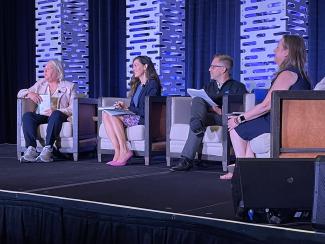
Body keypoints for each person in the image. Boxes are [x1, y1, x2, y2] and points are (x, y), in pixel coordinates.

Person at [222, 34, 311, 180]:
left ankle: (241, 174)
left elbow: (266, 105)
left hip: (281, 124)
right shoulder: (302, 75)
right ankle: (245, 173)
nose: (274, 51)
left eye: (277, 47)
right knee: (249, 132)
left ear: (287, 52)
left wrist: (239, 119)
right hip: (288, 122)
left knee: (235, 128)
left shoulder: (287, 74)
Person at [171, 54, 247, 171]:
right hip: (209, 117)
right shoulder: (208, 87)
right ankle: (187, 159)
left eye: (213, 66)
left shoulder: (238, 87)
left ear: (223, 69)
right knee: (197, 101)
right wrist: (210, 109)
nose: (209, 69)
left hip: (227, 119)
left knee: (197, 121)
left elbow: (241, 111)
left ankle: (187, 158)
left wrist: (220, 110)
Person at [102, 55, 161, 166]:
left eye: (135, 65)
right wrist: (124, 107)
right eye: (132, 66)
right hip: (136, 116)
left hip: (144, 119)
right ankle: (118, 151)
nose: (133, 68)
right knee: (106, 114)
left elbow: (146, 110)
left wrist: (127, 109)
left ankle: (125, 150)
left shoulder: (153, 84)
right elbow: (134, 107)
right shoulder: (138, 85)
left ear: (145, 66)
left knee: (114, 116)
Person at [17, 59, 76, 162]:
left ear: (58, 71)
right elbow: (20, 93)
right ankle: (31, 148)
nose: (45, 71)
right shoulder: (40, 84)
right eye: (44, 69)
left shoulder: (69, 86)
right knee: (27, 116)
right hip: (43, 115)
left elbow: (73, 107)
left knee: (56, 113)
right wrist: (29, 93)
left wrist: (58, 110)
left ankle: (48, 148)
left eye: (48, 69)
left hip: (59, 115)